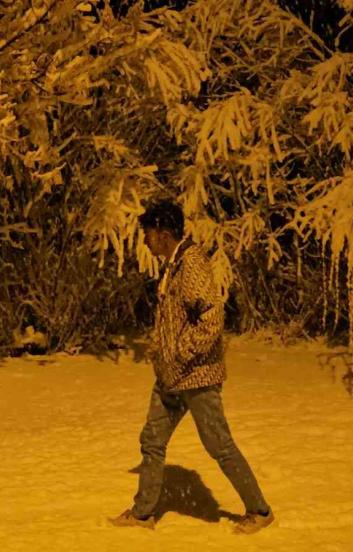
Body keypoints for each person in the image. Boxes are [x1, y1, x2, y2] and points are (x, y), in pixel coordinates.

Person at [109, 199, 273, 534]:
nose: (145, 241)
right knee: (152, 440)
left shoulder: (192, 263)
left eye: (147, 233)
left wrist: (181, 353)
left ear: (163, 233)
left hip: (197, 376)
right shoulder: (174, 265)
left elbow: (211, 318)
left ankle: (260, 511)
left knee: (219, 445)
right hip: (170, 377)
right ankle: (143, 514)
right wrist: (164, 354)